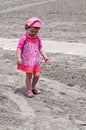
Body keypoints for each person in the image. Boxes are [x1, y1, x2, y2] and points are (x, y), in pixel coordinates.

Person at [16, 17, 48, 98]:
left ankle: (33, 87)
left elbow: (40, 48)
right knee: (29, 76)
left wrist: (44, 55)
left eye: (36, 31)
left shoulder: (38, 38)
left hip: (36, 60)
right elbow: (19, 48)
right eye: (32, 31)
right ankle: (29, 90)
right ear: (27, 28)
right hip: (27, 61)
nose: (34, 33)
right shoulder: (24, 38)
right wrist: (19, 57)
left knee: (37, 75)